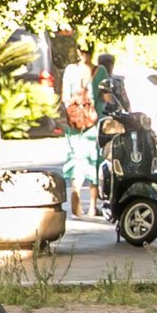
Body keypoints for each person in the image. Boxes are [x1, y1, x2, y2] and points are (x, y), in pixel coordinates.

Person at [61, 45, 98, 217]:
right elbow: (106, 97)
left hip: (74, 123)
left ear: (77, 51)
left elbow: (64, 98)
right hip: (92, 123)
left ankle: (75, 192)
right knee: (93, 161)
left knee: (76, 158)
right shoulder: (99, 71)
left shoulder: (70, 70)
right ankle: (92, 206)